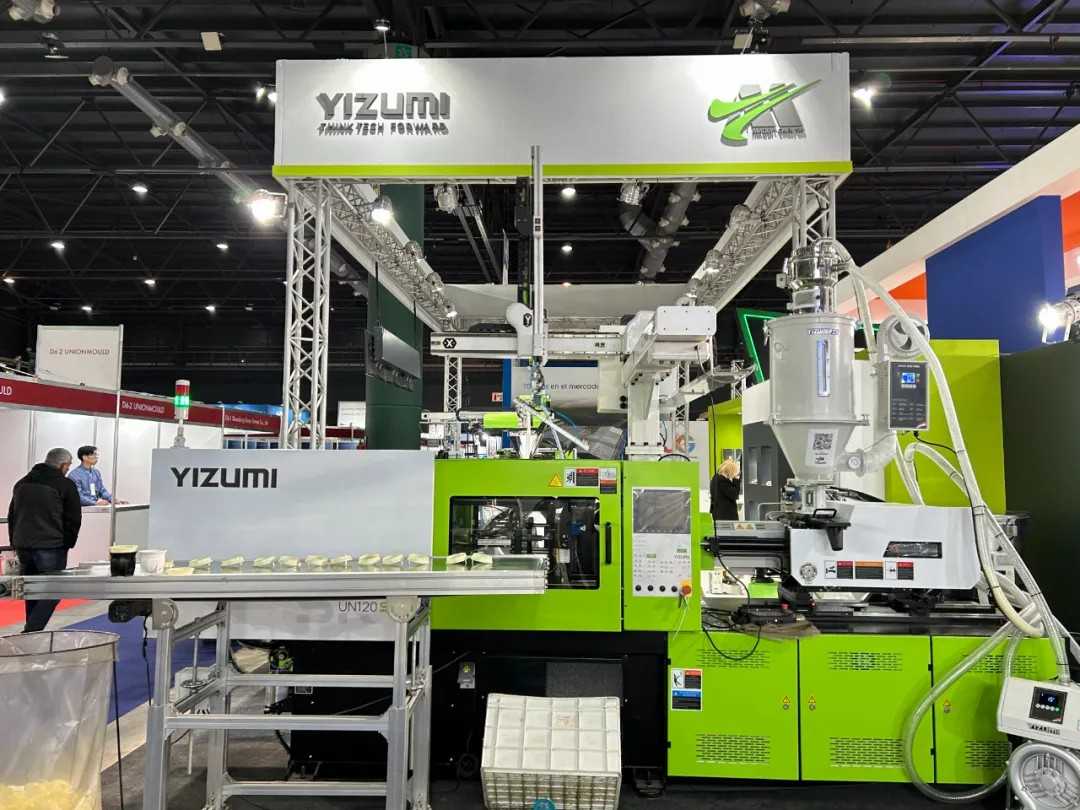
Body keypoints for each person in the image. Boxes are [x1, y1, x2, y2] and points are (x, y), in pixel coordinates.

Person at [7, 448, 82, 632]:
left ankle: (32, 634)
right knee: (54, 590)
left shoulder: (22, 483)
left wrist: (14, 542)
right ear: (63, 465)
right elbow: (73, 518)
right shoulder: (65, 485)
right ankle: (31, 630)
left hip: (23, 545)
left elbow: (12, 515)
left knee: (32, 590)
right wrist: (67, 543)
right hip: (51, 545)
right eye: (68, 465)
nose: (68, 469)